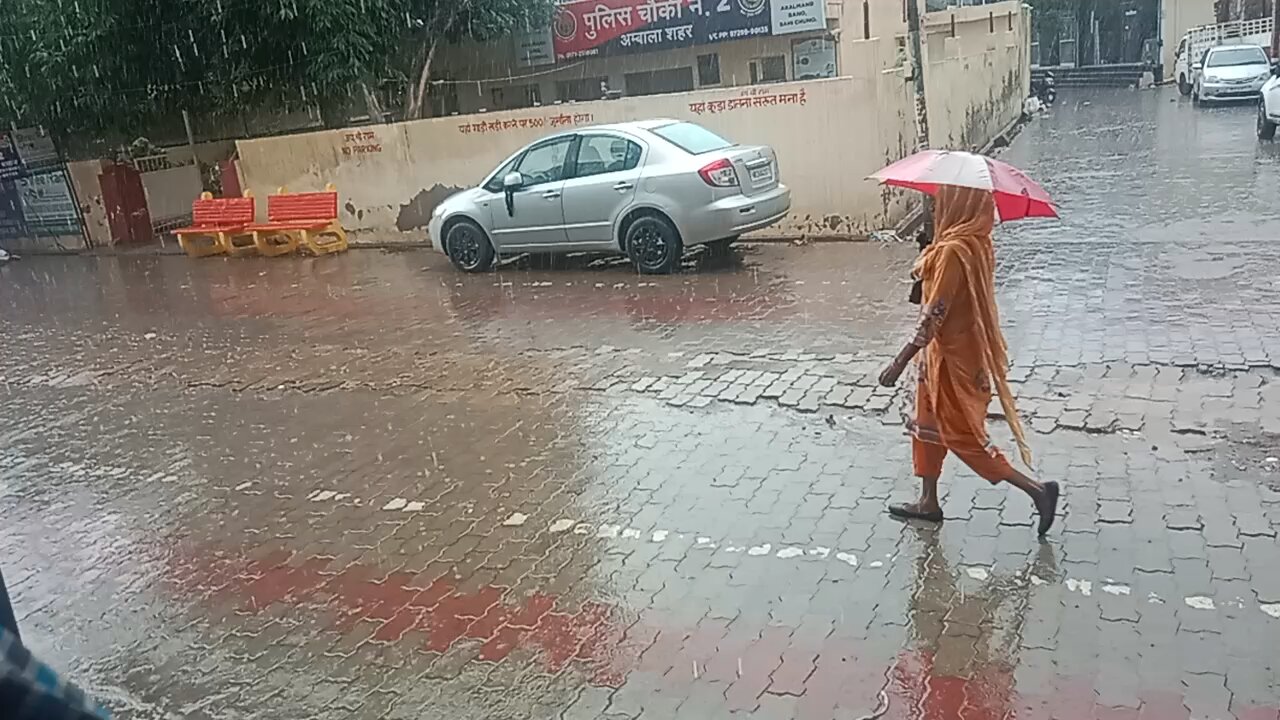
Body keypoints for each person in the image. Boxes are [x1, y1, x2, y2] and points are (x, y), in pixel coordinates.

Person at [878, 185, 1060, 535]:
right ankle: (928, 501)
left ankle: (1038, 492)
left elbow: (933, 316)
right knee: (926, 428)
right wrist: (926, 255)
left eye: (940, 202)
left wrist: (898, 362)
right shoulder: (973, 243)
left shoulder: (953, 252)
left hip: (953, 361)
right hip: (941, 358)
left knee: (963, 437)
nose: (934, 207)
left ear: (957, 205)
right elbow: (926, 296)